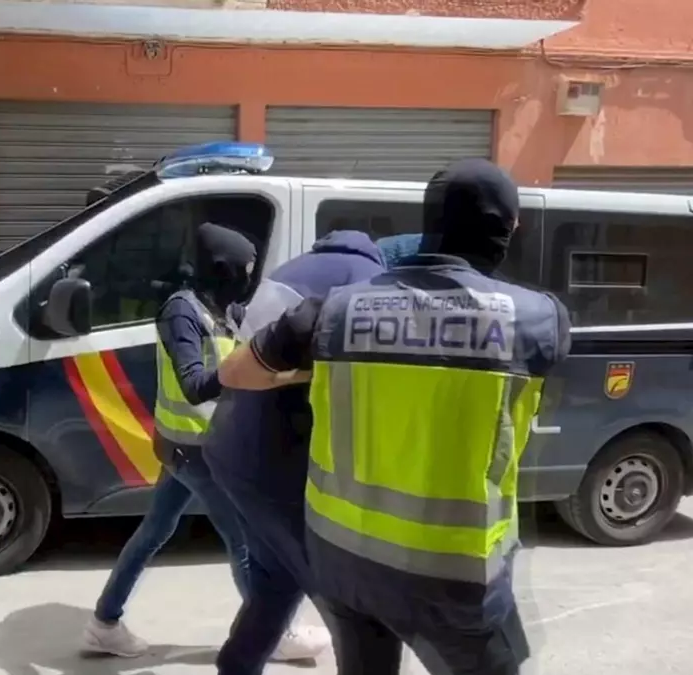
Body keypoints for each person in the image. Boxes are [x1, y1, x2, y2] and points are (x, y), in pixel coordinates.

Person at [221, 159, 571, 675]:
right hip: (455, 573)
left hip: (343, 559)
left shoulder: (331, 310)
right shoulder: (537, 317)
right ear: (506, 228)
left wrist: (315, 370)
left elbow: (234, 372)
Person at [81, 223, 323, 663]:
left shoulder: (222, 308)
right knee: (244, 543)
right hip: (194, 451)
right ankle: (276, 634)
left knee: (154, 531)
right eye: (245, 269)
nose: (249, 277)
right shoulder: (181, 311)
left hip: (193, 445)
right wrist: (260, 376)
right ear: (222, 268)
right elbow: (194, 384)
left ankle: (104, 623)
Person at [204, 230, 384, 675]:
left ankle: (236, 667)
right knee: (347, 606)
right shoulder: (368, 282)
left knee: (275, 579)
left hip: (229, 449)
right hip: (276, 457)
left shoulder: (290, 270)